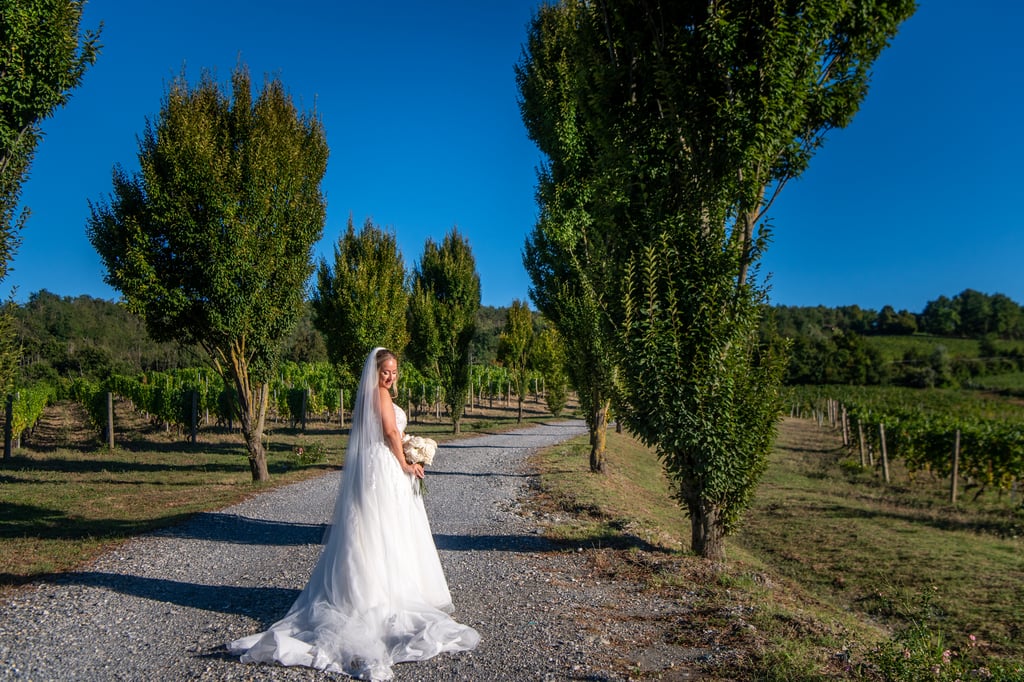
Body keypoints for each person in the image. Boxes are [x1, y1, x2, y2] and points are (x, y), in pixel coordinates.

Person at [228, 347, 480, 680]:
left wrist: (412, 446)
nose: (390, 377)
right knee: (386, 529)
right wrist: (406, 461)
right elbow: (390, 433)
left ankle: (365, 588)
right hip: (385, 468)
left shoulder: (373, 396)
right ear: (375, 373)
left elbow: (391, 433)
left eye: (394, 371)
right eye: (385, 371)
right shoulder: (380, 395)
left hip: (375, 464)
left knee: (371, 528)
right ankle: (383, 595)